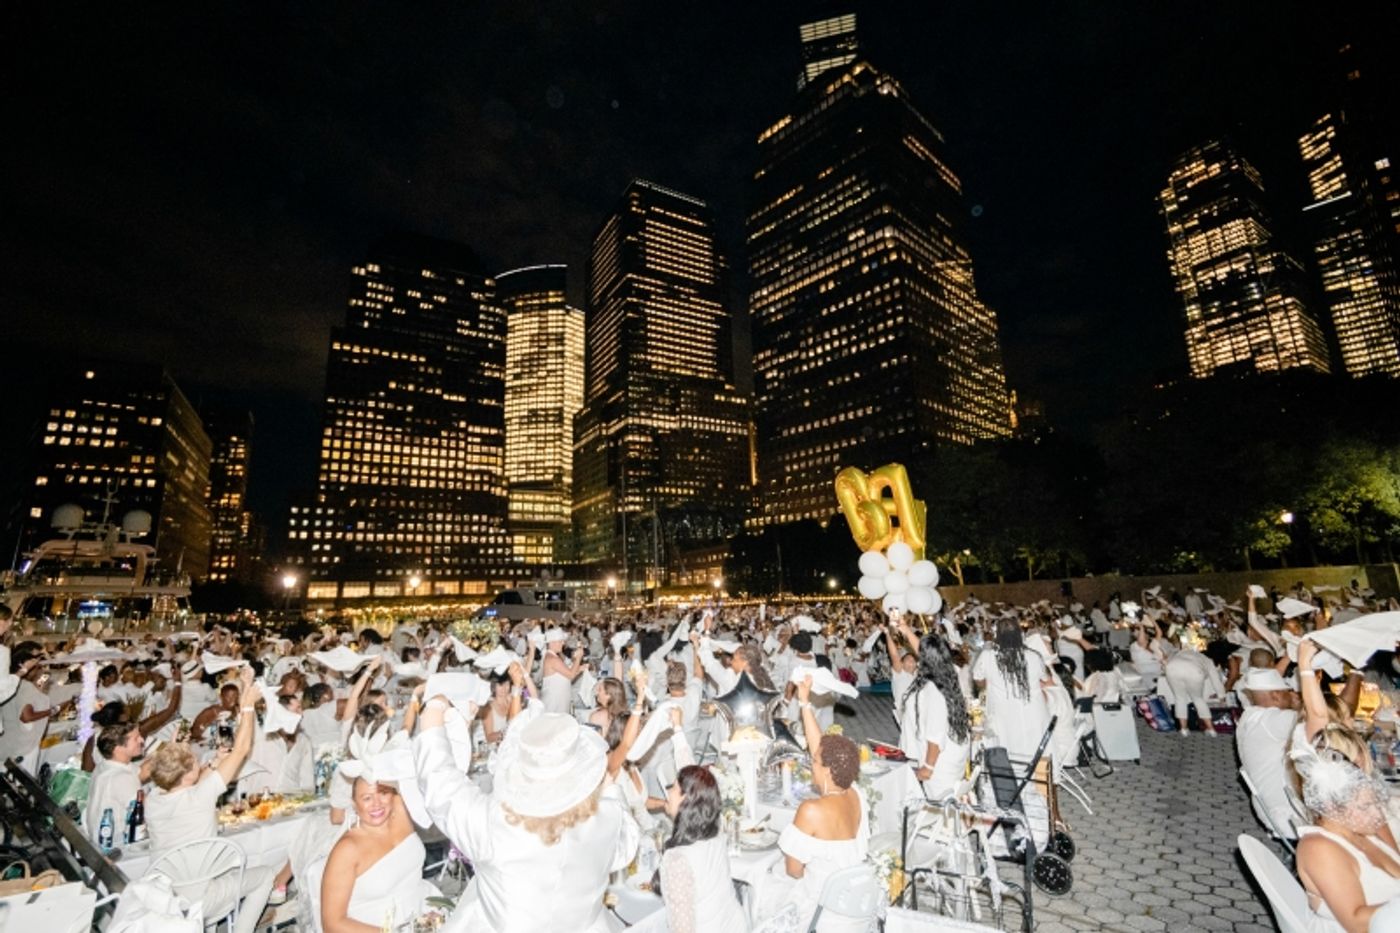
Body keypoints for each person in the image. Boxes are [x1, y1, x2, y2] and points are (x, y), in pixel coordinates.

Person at [414, 662, 638, 933]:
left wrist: (435, 707)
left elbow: (438, 781)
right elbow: (627, 845)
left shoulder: (492, 825)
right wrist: (610, 788)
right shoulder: (608, 818)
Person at [145, 668, 292, 933]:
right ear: (188, 775)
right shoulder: (200, 796)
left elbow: (184, 777)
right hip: (202, 896)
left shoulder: (153, 798)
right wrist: (248, 706)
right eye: (194, 763)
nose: (198, 763)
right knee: (266, 875)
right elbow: (242, 749)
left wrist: (210, 761)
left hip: (165, 893)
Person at [773, 676, 869, 932]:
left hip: (823, 910)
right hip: (853, 900)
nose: (810, 765)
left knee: (766, 885)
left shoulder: (811, 810)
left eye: (813, 762)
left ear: (827, 770)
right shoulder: (855, 793)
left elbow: (794, 871)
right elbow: (820, 746)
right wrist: (805, 702)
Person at [1295, 727, 1400, 932]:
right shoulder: (1319, 849)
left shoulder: (1360, 832)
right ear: (1330, 807)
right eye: (1365, 807)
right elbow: (1355, 922)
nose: (1377, 815)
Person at [320, 776, 440, 933]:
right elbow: (332, 925)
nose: (377, 804)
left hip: (425, 915)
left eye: (383, 793)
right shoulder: (347, 850)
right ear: (354, 804)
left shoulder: (400, 814)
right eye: (367, 798)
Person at [657, 764, 748, 933]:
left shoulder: (677, 860)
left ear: (686, 800)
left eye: (673, 788)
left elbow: (683, 929)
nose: (668, 792)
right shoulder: (716, 833)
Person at [892, 620, 971, 799]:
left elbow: (935, 735)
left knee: (940, 804)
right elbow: (927, 652)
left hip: (939, 766)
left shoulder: (933, 690)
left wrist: (927, 769)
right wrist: (905, 628)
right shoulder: (950, 672)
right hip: (953, 752)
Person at [972, 619, 1053, 761]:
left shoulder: (988, 656)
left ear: (997, 635)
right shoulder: (1034, 656)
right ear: (1019, 634)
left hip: (1003, 714)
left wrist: (989, 682)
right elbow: (1045, 679)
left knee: (1007, 753)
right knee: (1035, 754)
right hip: (1033, 713)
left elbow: (978, 680)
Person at [1235, 668, 1300, 840]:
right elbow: (1323, 720)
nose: (1293, 695)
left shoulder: (1250, 715)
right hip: (1289, 816)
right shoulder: (1272, 721)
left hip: (1267, 807)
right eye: (1288, 692)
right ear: (1276, 695)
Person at [85, 721, 151, 843]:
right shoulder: (122, 779)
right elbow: (151, 811)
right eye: (136, 738)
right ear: (118, 748)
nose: (142, 740)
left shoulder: (106, 764)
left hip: (96, 838)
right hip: (116, 845)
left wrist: (173, 749)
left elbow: (141, 772)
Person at [1163, 643, 1224, 735]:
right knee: (1198, 699)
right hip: (1195, 672)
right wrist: (1221, 695)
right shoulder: (1207, 660)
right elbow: (1216, 680)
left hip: (1172, 668)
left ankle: (1184, 729)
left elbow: (1165, 664)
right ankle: (1211, 729)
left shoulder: (1181, 653)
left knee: (1180, 698)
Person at [540, 629, 587, 715]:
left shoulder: (552, 656)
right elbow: (570, 675)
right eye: (560, 641)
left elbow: (566, 675)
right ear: (552, 643)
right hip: (554, 700)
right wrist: (578, 658)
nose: (563, 643)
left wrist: (579, 669)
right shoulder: (552, 658)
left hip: (558, 699)